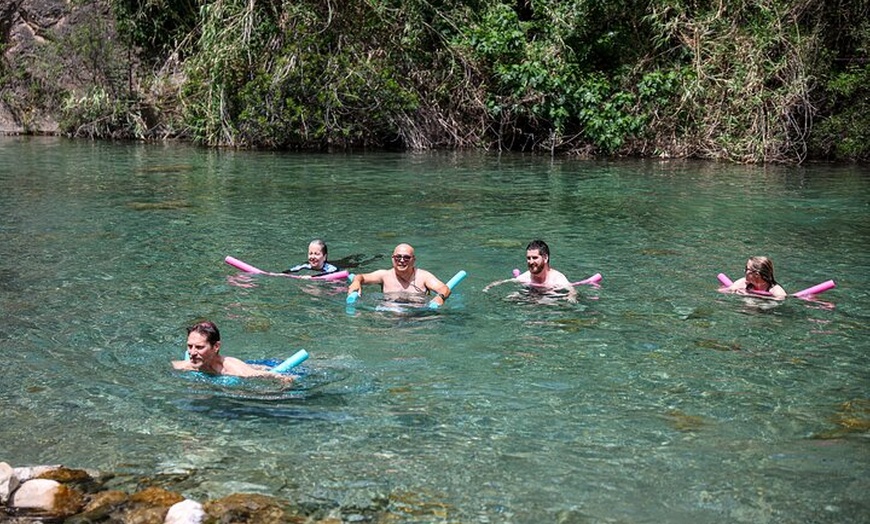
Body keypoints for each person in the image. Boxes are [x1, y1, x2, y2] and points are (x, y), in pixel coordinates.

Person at [171, 321, 294, 381]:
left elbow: (263, 376)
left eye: (199, 347)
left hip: (270, 364)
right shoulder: (185, 366)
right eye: (189, 346)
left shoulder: (233, 369)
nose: (192, 353)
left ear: (216, 347)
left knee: (259, 368)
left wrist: (282, 378)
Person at [347, 243, 451, 306]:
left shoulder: (423, 276)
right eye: (398, 257)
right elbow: (361, 277)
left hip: (419, 316)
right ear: (392, 258)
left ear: (413, 260)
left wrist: (440, 297)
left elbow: (444, 288)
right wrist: (356, 282)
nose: (401, 260)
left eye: (406, 257)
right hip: (389, 315)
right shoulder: (384, 275)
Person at [483, 240, 577, 302]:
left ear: (545, 258)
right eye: (528, 258)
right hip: (530, 297)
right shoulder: (526, 277)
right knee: (511, 297)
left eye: (535, 258)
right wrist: (488, 287)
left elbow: (572, 291)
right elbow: (507, 281)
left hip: (550, 300)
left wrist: (571, 297)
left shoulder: (557, 278)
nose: (531, 262)